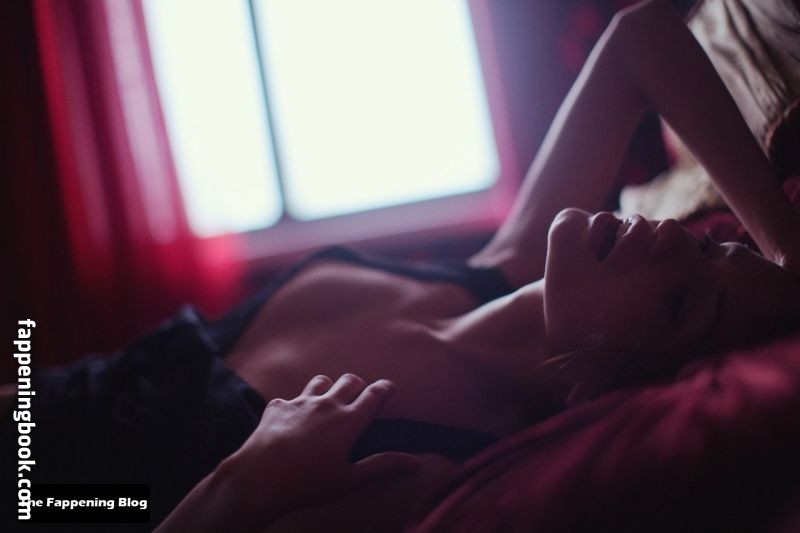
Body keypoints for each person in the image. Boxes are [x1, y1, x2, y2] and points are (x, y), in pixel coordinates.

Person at [3, 0, 800, 530]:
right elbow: (640, 38)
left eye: (683, 301)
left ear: (609, 385)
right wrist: (784, 247)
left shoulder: (410, 461)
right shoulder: (501, 265)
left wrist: (239, 485)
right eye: (707, 244)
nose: (673, 241)